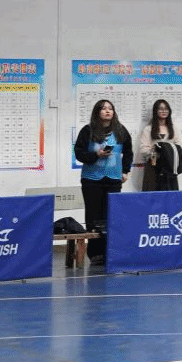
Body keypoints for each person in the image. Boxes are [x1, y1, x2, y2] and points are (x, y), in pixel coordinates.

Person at [73, 99, 133, 264]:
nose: (107, 111)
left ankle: (110, 252)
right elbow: (79, 153)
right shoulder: (88, 130)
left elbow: (128, 152)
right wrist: (96, 155)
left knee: (111, 216)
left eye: (110, 108)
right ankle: (95, 253)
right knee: (93, 217)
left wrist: (125, 171)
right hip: (92, 179)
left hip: (113, 179)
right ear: (97, 112)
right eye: (104, 108)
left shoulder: (121, 131)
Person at [138, 99, 182, 192]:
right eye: (160, 109)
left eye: (166, 109)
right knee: (152, 196)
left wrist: (166, 149)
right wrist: (155, 151)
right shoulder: (148, 129)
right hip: (153, 167)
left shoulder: (173, 129)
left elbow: (179, 147)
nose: (164, 111)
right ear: (155, 111)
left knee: (169, 196)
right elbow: (143, 149)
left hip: (169, 168)